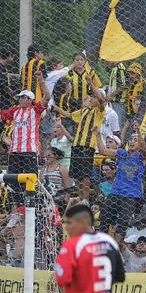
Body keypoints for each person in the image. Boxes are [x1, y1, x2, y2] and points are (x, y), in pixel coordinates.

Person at [0, 70, 50, 201]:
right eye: (19, 97)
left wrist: (41, 80)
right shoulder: (15, 110)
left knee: (30, 181)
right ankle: (17, 208)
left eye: (23, 97)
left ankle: (31, 208)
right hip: (14, 152)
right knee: (12, 183)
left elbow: (47, 97)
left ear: (30, 100)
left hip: (29, 151)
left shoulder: (35, 110)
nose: (20, 99)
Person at [52, 74, 106, 202]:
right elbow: (69, 115)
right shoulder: (84, 110)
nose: (91, 99)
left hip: (87, 146)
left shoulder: (99, 111)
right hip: (76, 145)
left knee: (85, 175)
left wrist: (90, 82)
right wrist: (56, 108)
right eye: (90, 97)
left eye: (93, 97)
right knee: (76, 175)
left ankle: (85, 200)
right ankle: (81, 198)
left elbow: (101, 99)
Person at [95, 126, 146, 235]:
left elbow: (143, 147)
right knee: (104, 217)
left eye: (135, 140)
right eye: (131, 140)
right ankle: (102, 241)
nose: (132, 142)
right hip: (116, 192)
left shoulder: (142, 156)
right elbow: (103, 151)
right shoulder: (123, 153)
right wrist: (98, 135)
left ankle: (118, 244)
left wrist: (139, 130)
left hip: (131, 195)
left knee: (123, 223)